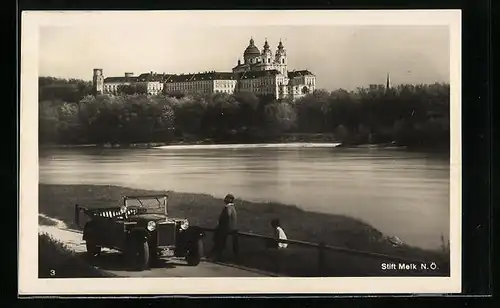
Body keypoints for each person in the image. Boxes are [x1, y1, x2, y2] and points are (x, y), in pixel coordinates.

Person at [211, 193, 239, 261]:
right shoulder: (233, 208)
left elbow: (227, 216)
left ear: (230, 200)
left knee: (219, 242)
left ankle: (217, 257)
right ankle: (214, 255)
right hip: (232, 229)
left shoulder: (228, 207)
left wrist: (220, 226)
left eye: (227, 198)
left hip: (226, 229)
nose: (225, 199)